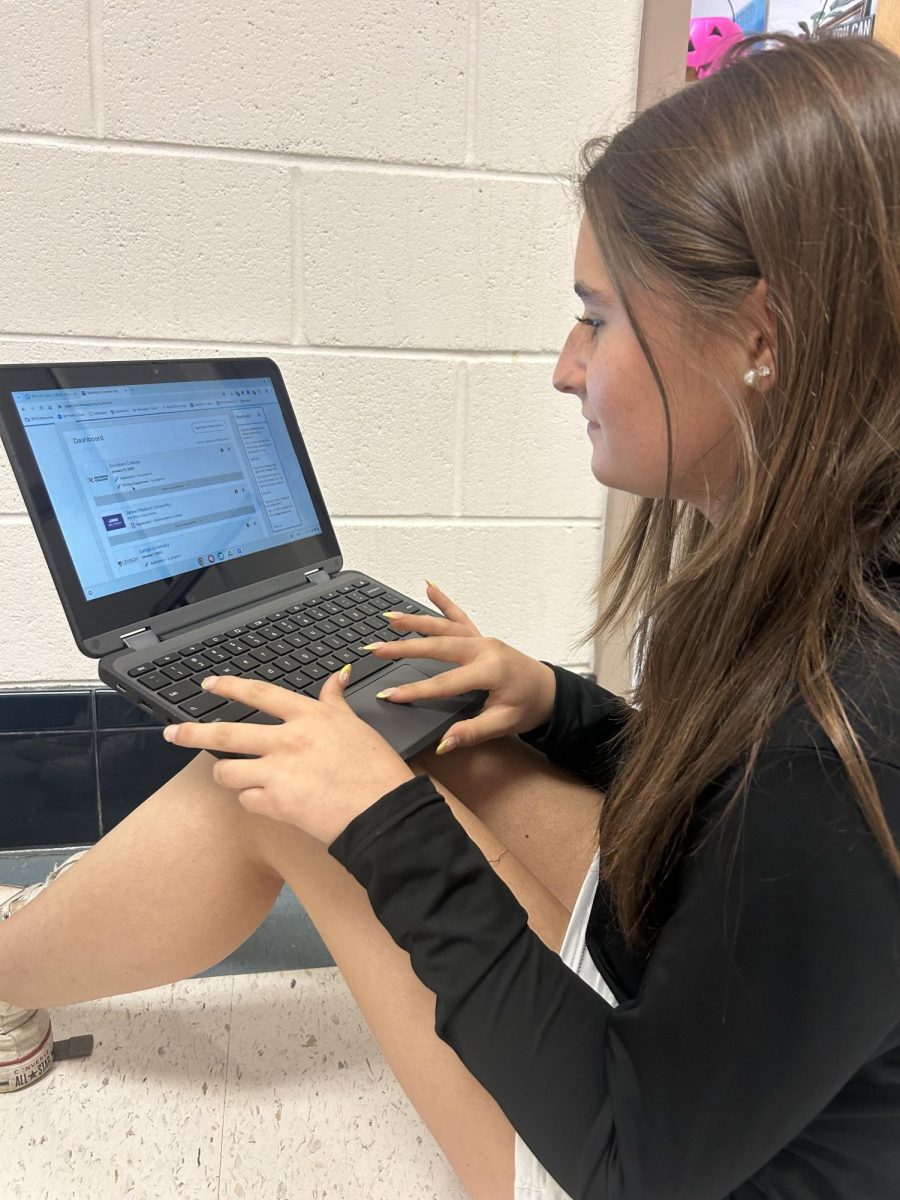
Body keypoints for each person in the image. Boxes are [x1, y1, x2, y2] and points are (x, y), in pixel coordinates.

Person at [2, 29, 898, 1200]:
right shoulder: (842, 575)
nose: (568, 368)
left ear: (762, 342)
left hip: (670, 1164)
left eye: (598, 316)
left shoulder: (858, 723)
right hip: (728, 1045)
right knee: (412, 732)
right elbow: (748, 834)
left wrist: (377, 825)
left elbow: (639, 1166)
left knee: (294, 782)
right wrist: (553, 704)